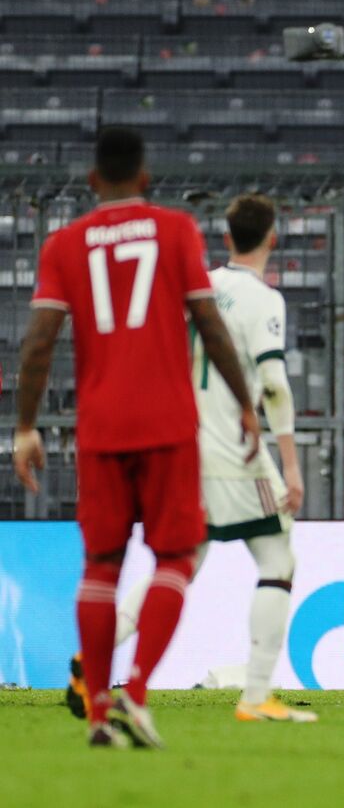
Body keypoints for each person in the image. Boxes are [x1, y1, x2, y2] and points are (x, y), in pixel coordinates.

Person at [13, 127, 259, 748]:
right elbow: (208, 321)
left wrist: (23, 426)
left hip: (99, 429)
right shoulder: (175, 230)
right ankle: (137, 691)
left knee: (101, 564)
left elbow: (39, 342)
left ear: (92, 181)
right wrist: (245, 404)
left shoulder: (64, 245)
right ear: (145, 178)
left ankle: (98, 710)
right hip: (169, 424)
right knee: (175, 555)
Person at [71, 194, 316, 724]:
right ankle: (254, 696)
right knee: (278, 562)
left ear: (226, 238)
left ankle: (88, 660)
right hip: (237, 453)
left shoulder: (195, 288)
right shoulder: (263, 299)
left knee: (181, 564)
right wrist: (291, 465)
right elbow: (272, 385)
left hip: (180, 446)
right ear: (272, 239)